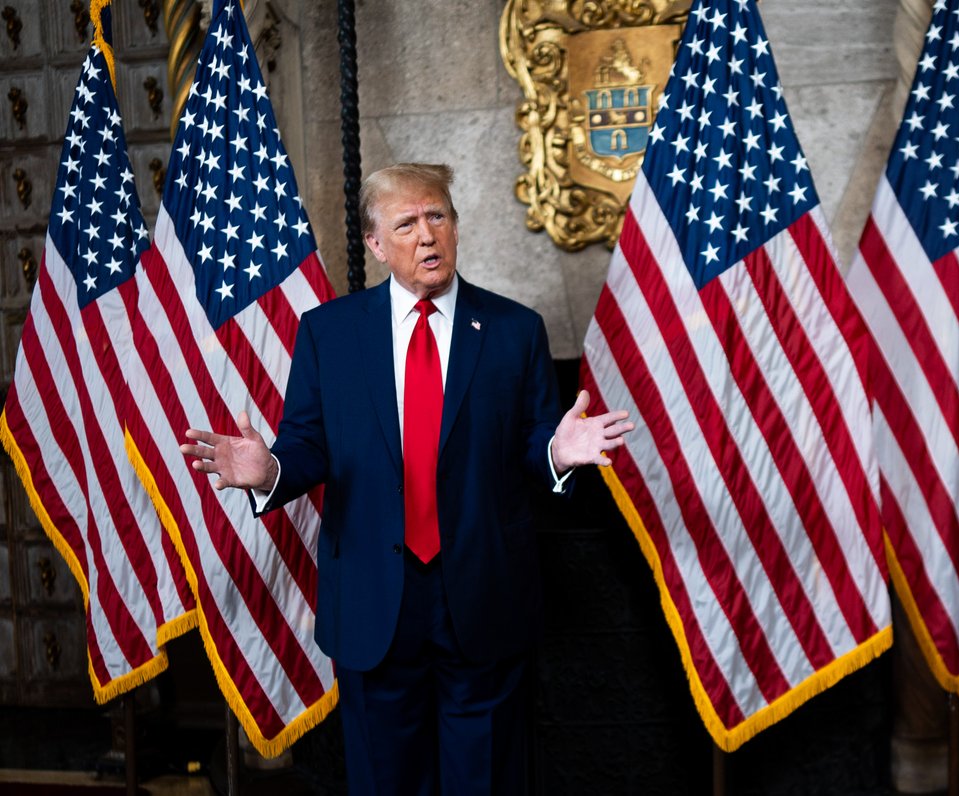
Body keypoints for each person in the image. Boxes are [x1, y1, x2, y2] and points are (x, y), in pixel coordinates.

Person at [180, 162, 634, 795]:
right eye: (407, 224)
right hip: (374, 603)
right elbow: (308, 444)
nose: (427, 236)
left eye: (437, 217)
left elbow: (533, 447)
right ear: (375, 244)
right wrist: (271, 471)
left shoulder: (513, 330)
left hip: (483, 597)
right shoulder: (329, 335)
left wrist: (558, 452)